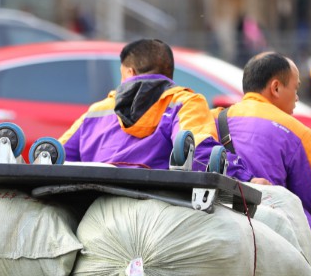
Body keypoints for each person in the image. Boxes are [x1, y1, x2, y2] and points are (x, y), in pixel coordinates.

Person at [58, 38, 262, 184]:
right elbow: (198, 151)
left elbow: (56, 157)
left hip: (95, 210)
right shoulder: (185, 102)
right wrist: (247, 177)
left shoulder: (97, 111)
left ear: (129, 72)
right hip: (156, 213)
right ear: (169, 73)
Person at [211, 52, 311, 276]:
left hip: (222, 227)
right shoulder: (296, 131)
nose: (297, 98)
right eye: (295, 89)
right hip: (277, 239)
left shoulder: (215, 120)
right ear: (276, 87)